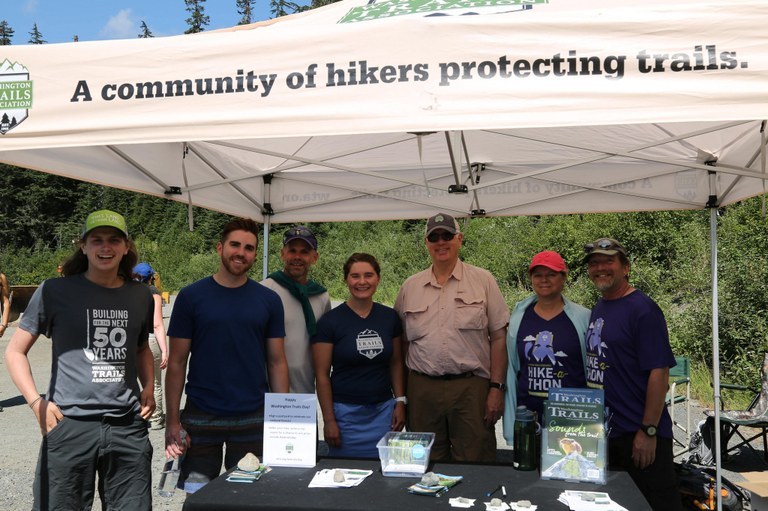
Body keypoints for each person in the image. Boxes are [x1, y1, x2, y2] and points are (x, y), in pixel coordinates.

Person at [4, 209, 155, 510]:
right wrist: (37, 403)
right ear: (83, 246)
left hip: (127, 426)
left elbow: (140, 349)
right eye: (96, 240)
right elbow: (14, 351)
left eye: (114, 240)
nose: (105, 247)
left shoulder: (140, 296)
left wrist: (149, 385)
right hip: (69, 424)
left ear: (126, 247)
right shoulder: (54, 291)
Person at [164, 217, 289, 493]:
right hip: (201, 414)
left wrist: (282, 418)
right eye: (235, 245)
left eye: (249, 248)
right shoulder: (191, 297)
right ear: (220, 247)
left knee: (248, 497)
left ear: (255, 254)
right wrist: (172, 421)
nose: (241, 252)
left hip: (253, 415)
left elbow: (277, 361)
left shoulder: (268, 300)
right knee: (197, 496)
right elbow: (176, 363)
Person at [394, 212, 509, 462]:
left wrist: (496, 388)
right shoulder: (409, 287)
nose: (440, 242)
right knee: (424, 462)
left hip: (471, 389)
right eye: (433, 237)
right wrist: (402, 397)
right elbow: (401, 345)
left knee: (475, 460)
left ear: (459, 238)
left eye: (447, 235)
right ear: (426, 243)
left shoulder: (484, 280)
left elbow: (499, 337)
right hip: (422, 389)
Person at [583, 237, 681, 511]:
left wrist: (648, 430)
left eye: (608, 261)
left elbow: (659, 373)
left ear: (626, 267)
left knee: (654, 503)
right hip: (608, 433)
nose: (600, 268)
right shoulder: (601, 306)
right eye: (594, 263)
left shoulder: (643, 309)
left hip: (638, 435)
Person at [312, 253, 405, 458]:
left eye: (368, 275)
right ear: (346, 280)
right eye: (355, 276)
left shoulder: (389, 317)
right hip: (345, 417)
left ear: (378, 279)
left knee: (383, 478)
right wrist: (329, 421)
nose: (362, 282)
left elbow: (396, 363)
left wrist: (400, 401)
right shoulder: (330, 322)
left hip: (383, 415)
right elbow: (322, 375)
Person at [503, 251, 591, 444]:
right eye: (538, 275)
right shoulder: (519, 317)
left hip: (573, 419)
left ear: (564, 277)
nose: (544, 280)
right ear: (531, 279)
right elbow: (512, 370)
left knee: (572, 470)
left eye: (551, 274)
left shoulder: (583, 317)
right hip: (528, 418)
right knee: (527, 473)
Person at [262, 226, 331, 394]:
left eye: (304, 252)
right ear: (282, 254)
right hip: (267, 393)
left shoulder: (321, 297)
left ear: (315, 257)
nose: (297, 257)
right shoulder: (265, 291)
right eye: (292, 250)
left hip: (304, 394)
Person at [133, 261, 168, 430]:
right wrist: (165, 350)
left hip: (129, 339)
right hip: (149, 340)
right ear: (151, 278)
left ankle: (135, 413)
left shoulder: (126, 290)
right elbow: (157, 324)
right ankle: (154, 418)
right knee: (154, 382)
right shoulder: (153, 293)